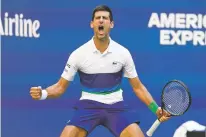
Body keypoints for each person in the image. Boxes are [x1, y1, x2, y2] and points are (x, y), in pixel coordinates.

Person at [30, 5, 171, 137]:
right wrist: (43, 93)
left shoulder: (123, 53)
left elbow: (138, 87)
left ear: (111, 24)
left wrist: (156, 109)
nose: (101, 21)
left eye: (105, 18)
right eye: (98, 18)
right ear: (92, 24)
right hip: (88, 105)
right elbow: (60, 87)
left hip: (116, 106)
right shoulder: (78, 54)